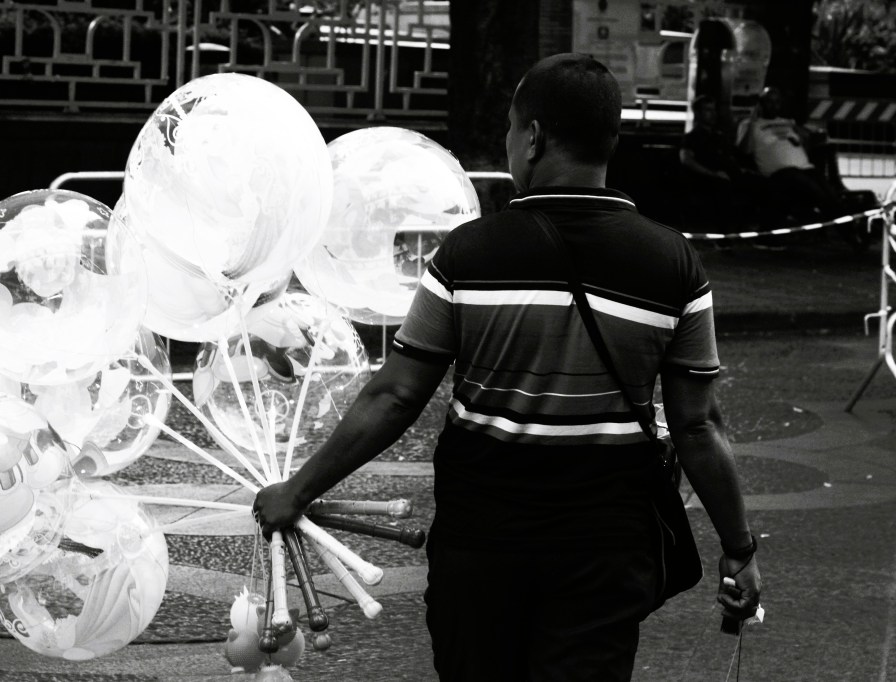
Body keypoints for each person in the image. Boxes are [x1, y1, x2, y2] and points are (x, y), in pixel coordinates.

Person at [254, 53, 761, 681]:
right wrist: (738, 549)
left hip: (483, 543)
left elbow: (396, 395)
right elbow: (698, 425)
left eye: (511, 129)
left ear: (533, 137)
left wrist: (297, 491)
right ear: (611, 140)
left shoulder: (467, 255)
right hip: (605, 550)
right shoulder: (674, 264)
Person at [735, 86, 844, 225]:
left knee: (830, 194)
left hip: (804, 167)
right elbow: (744, 150)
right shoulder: (749, 124)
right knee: (818, 194)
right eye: (769, 101)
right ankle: (840, 226)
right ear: (761, 104)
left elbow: (807, 138)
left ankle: (847, 228)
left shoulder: (786, 122)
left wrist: (808, 134)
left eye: (777, 102)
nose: (773, 105)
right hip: (781, 172)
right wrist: (752, 122)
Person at [679, 94, 763, 231]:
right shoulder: (692, 137)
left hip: (730, 174)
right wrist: (713, 174)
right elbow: (686, 160)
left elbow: (734, 154)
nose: (713, 114)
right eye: (708, 110)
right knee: (723, 188)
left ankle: (755, 231)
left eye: (714, 110)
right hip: (708, 178)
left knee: (760, 182)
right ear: (698, 113)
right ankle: (725, 234)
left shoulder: (719, 136)